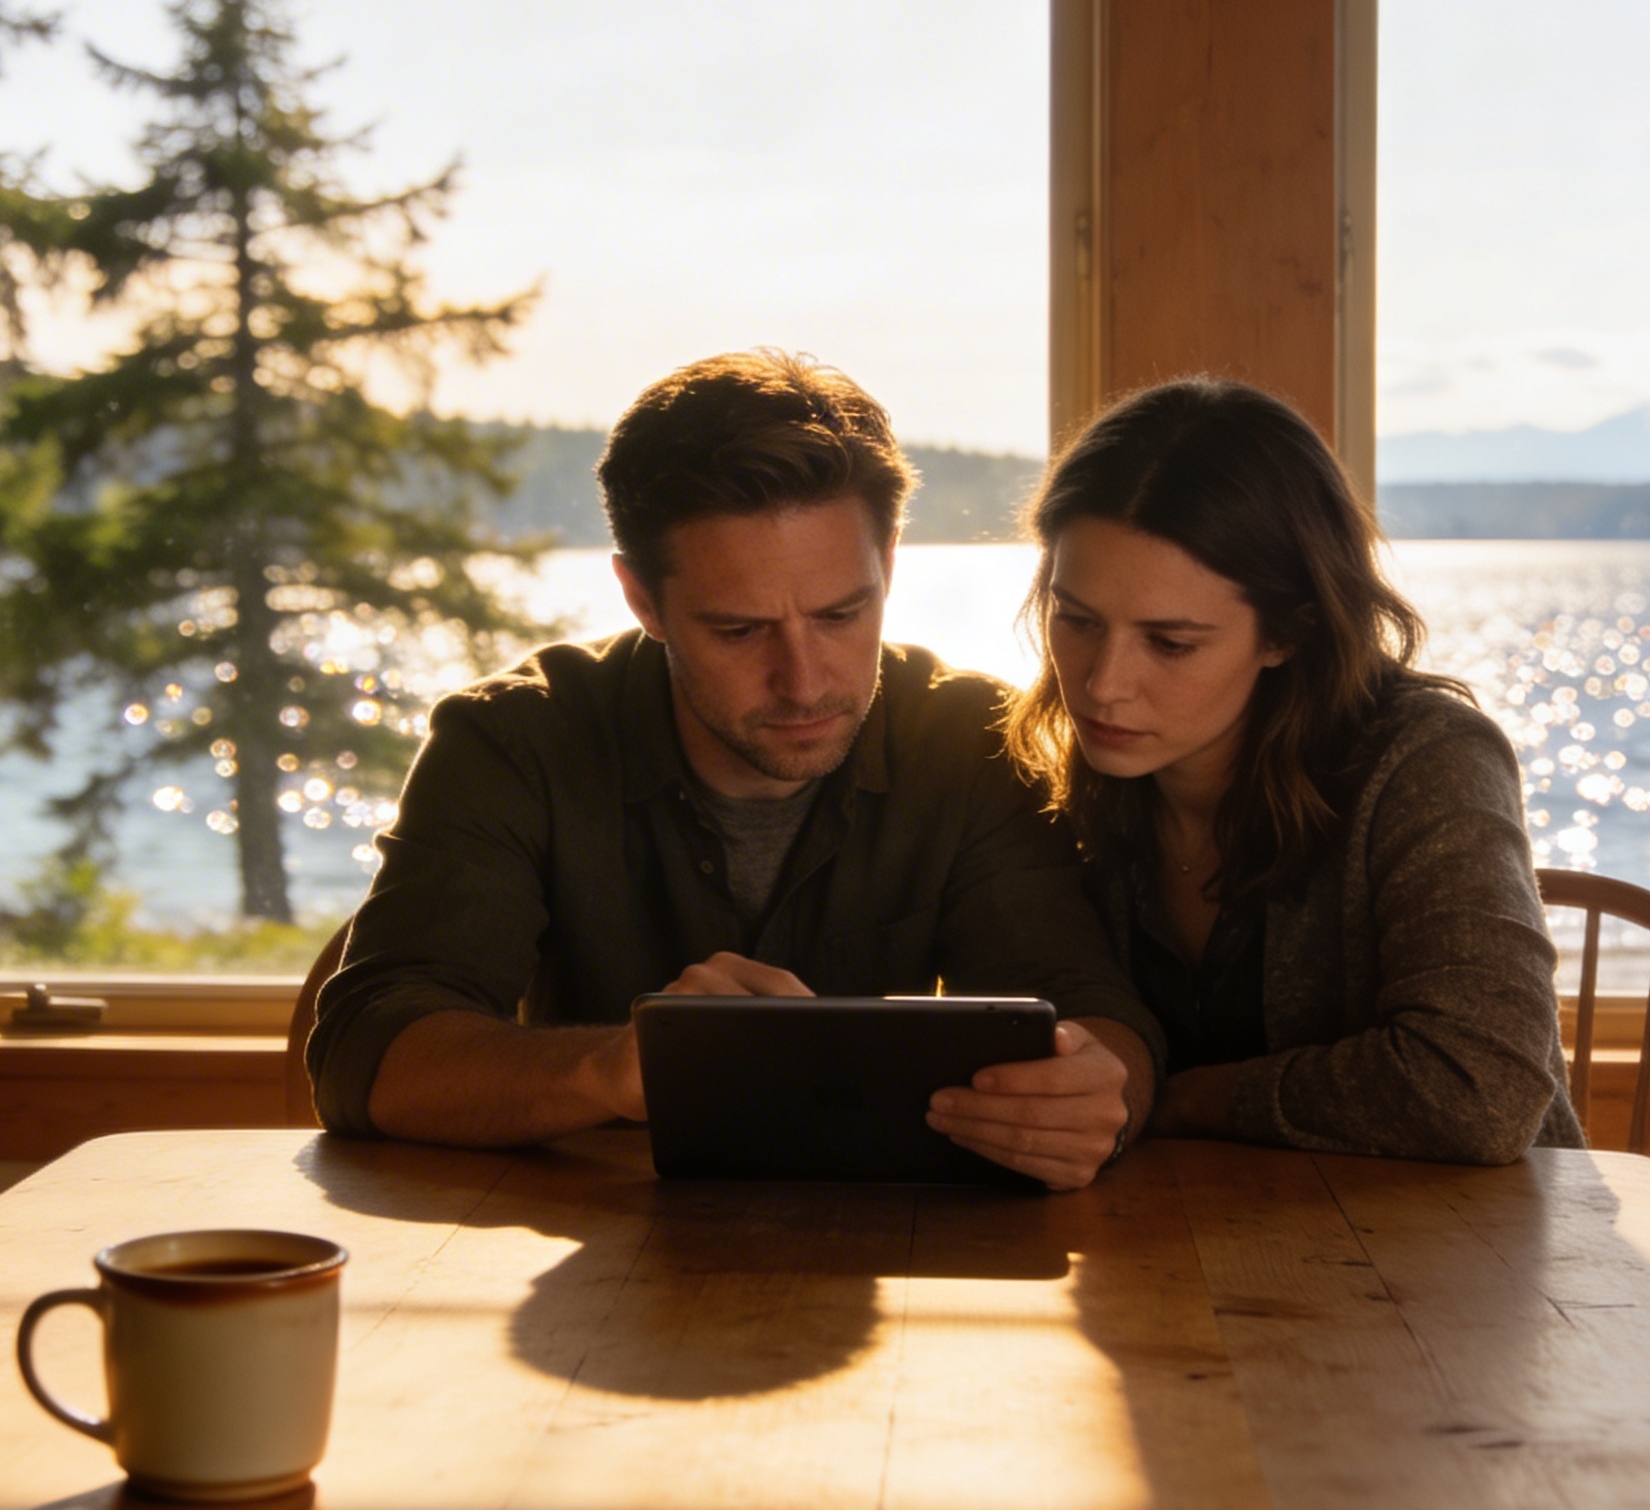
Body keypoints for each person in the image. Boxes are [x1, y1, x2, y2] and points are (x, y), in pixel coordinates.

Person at [306, 349, 1164, 1187]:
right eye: (739, 631)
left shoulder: (972, 739)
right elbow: (366, 1051)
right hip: (596, 1262)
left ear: (889, 562)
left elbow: (1099, 1014)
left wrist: (1102, 1096)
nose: (806, 681)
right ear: (643, 599)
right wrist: (612, 1069)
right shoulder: (514, 743)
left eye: (841, 613)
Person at [1000, 376, 1583, 1163]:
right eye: (1075, 620)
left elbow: (1478, 1091)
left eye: (1170, 644)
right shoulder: (1055, 779)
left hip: (1476, 1253)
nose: (1102, 684)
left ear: (1288, 633)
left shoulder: (1426, 759)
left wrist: (1174, 1097)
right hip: (1189, 1247)